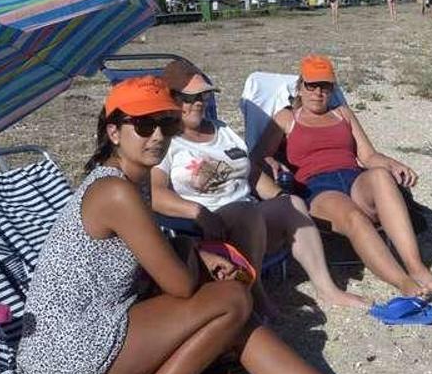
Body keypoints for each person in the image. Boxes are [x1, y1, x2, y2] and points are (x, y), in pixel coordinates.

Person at [15, 76, 422, 374]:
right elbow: (179, 285)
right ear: (113, 131)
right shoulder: (116, 192)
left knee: (234, 312)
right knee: (229, 299)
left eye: (167, 125)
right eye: (144, 125)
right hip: (68, 347)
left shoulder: (130, 180)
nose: (157, 136)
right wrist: (197, 257)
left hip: (92, 325)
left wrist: (199, 253)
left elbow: (153, 248)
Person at [151, 60, 370, 309]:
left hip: (250, 216)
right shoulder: (166, 141)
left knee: (293, 203)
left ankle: (328, 290)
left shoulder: (222, 130)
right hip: (206, 225)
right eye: (188, 98)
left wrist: (279, 196)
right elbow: (154, 193)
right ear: (170, 100)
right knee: (247, 211)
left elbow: (250, 173)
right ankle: (257, 295)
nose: (198, 102)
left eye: (202, 95)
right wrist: (196, 212)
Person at [256, 55, 432, 297]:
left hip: (353, 177)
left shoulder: (343, 114)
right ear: (300, 87)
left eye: (325, 86)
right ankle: (402, 281)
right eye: (312, 85)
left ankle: (417, 268)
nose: (318, 92)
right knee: (353, 215)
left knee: (380, 175)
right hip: (317, 188)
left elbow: (368, 156)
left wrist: (392, 163)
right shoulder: (287, 119)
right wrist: (272, 160)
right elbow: (258, 156)